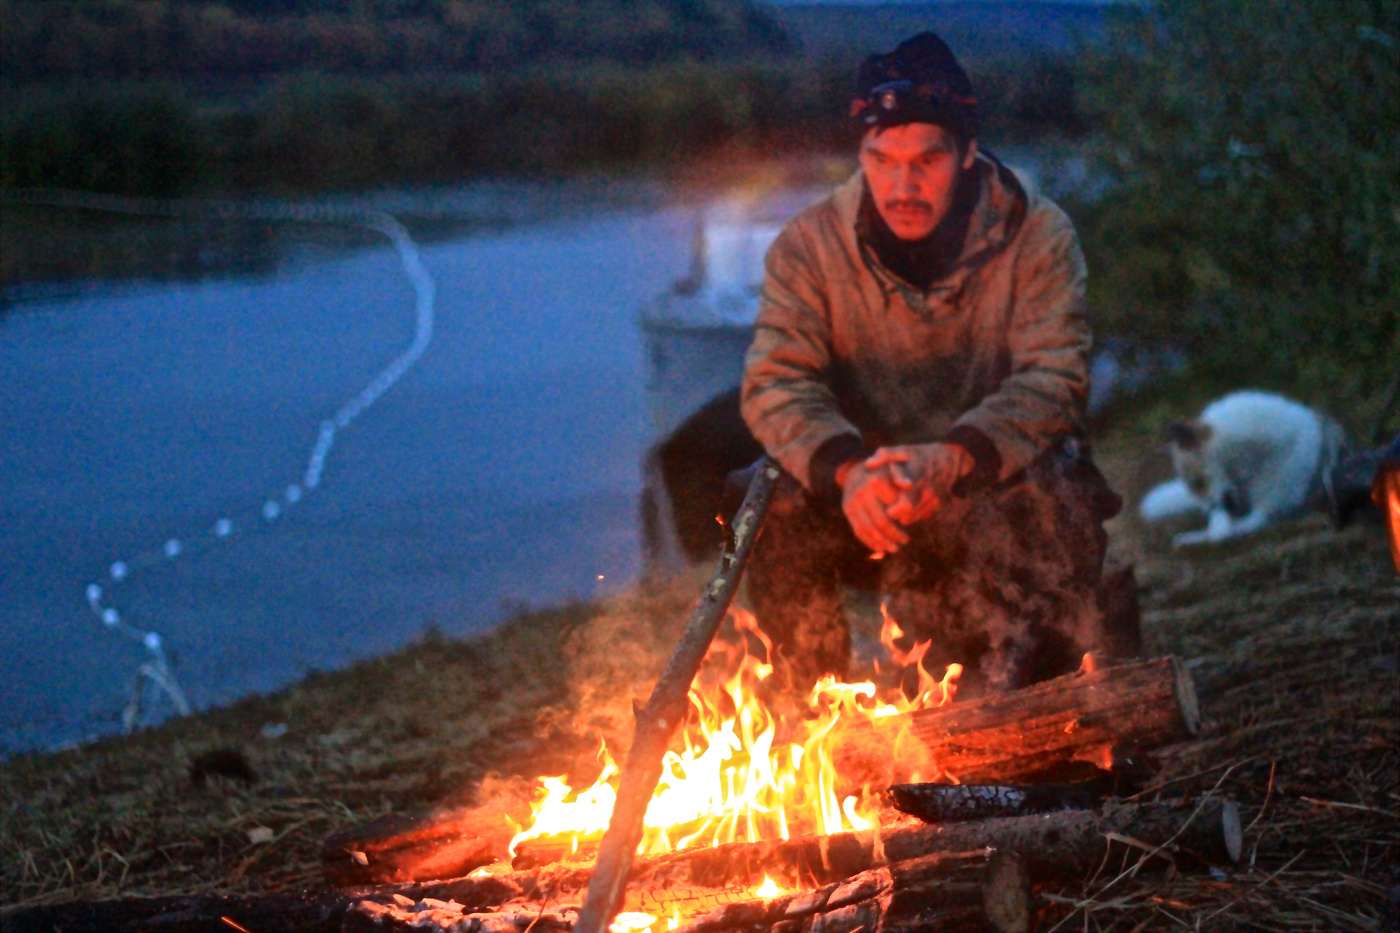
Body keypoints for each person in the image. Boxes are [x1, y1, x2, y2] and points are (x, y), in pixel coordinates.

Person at [739, 32, 1140, 706]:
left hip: (991, 484)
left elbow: (1055, 379)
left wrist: (952, 459)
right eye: (881, 158)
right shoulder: (809, 245)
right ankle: (814, 716)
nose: (902, 184)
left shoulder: (1038, 235)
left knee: (1060, 491)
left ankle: (1044, 697)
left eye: (926, 158)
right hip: (869, 494)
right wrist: (850, 471)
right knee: (762, 499)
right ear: (861, 154)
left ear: (966, 154)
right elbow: (777, 381)